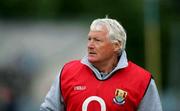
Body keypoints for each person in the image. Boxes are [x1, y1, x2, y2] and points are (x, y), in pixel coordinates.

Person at [40, 18, 162, 111]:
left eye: (97, 40)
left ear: (116, 45)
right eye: (89, 39)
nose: (90, 45)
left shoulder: (142, 80)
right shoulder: (68, 72)